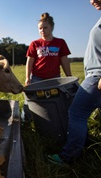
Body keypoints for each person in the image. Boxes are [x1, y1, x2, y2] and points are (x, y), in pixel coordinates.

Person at [48, 0, 101, 165]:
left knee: (76, 113)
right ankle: (89, 146)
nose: (92, 1)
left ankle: (69, 156)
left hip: (97, 76)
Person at [22, 12, 72, 121]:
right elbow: (29, 61)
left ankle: (56, 120)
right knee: (30, 100)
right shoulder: (35, 44)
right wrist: (27, 77)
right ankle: (26, 120)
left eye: (45, 27)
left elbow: (64, 60)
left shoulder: (60, 42)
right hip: (37, 78)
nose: (42, 30)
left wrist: (69, 77)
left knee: (57, 100)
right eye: (40, 28)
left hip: (54, 78)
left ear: (52, 27)